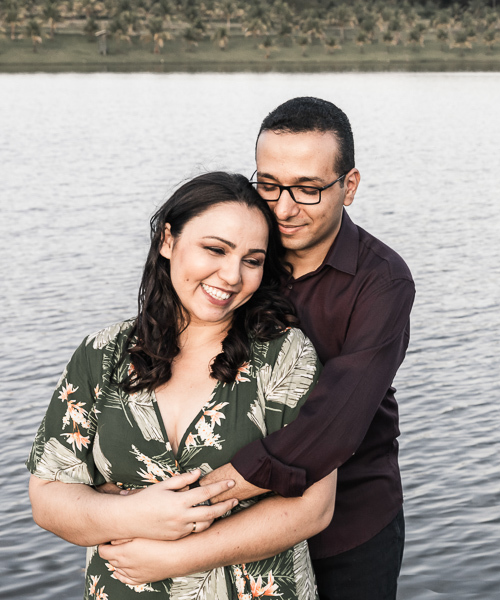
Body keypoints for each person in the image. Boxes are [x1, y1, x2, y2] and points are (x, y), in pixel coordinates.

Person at [99, 98, 415, 599]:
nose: (283, 209)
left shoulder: (383, 283)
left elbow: (333, 424)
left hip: (346, 529)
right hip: (228, 527)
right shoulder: (237, 261)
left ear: (349, 186)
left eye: (308, 189)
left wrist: (189, 501)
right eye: (268, 185)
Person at [27, 172, 337, 599]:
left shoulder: (285, 356)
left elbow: (314, 508)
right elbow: (47, 498)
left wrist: (178, 556)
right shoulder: (102, 354)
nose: (232, 275)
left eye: (252, 260)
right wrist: (132, 514)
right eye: (215, 249)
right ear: (168, 240)